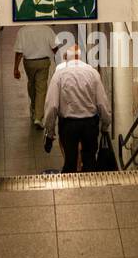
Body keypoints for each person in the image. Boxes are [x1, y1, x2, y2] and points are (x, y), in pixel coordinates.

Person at [42, 43, 111, 173]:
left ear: (65, 58)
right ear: (79, 57)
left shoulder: (59, 75)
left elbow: (52, 106)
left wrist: (50, 132)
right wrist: (105, 126)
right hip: (90, 124)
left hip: (68, 125)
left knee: (70, 163)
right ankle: (90, 189)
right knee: (90, 161)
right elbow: (102, 103)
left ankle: (70, 189)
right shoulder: (92, 73)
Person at [13, 24, 57, 128]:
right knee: (41, 89)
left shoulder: (22, 31)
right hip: (43, 61)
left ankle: (34, 109)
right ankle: (38, 117)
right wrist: (53, 56)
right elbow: (55, 47)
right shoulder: (47, 29)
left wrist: (15, 68)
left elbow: (19, 52)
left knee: (31, 84)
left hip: (29, 62)